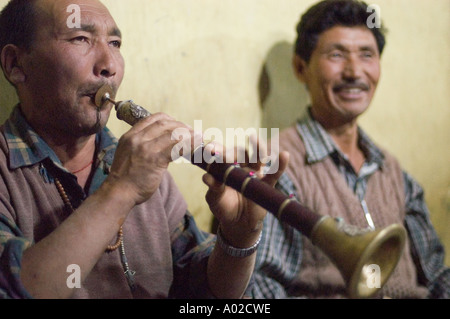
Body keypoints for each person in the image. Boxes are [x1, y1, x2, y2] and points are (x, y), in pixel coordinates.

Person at [0, 0, 288, 299]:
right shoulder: (133, 170)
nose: (109, 65)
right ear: (15, 65)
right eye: (80, 39)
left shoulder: (141, 167)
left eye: (115, 43)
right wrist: (120, 190)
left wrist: (240, 237)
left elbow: (205, 295)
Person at [250, 0, 449, 299]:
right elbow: (258, 288)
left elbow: (436, 276)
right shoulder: (276, 168)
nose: (355, 72)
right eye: (337, 55)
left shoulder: (392, 170)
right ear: (301, 68)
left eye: (367, 55)